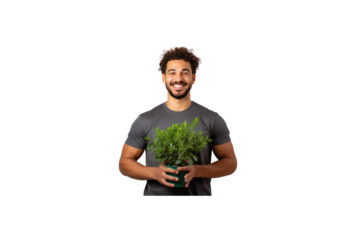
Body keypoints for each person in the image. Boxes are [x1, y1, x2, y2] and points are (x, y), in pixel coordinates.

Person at [118, 44, 237, 198]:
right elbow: (124, 164)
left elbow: (231, 164)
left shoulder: (213, 118)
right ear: (163, 79)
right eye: (172, 73)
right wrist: (155, 173)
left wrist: (197, 170)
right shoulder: (144, 119)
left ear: (193, 78)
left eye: (185, 73)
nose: (178, 79)